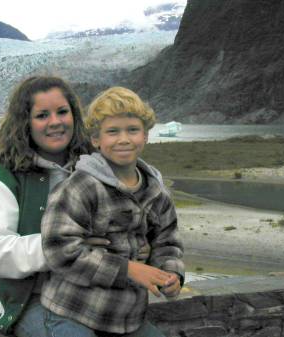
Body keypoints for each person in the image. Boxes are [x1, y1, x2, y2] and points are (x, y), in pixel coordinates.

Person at [40, 87, 185, 337]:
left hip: (127, 319)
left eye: (132, 130)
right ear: (96, 139)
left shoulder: (156, 192)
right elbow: (58, 249)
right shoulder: (79, 187)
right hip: (74, 313)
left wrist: (171, 274)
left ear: (146, 135)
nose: (124, 139)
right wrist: (128, 269)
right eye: (112, 131)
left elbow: (167, 242)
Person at [0, 76, 94, 337]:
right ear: (25, 122)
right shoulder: (4, 178)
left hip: (95, 293)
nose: (55, 122)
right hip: (34, 299)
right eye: (42, 115)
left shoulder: (94, 168)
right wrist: (64, 248)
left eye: (62, 112)